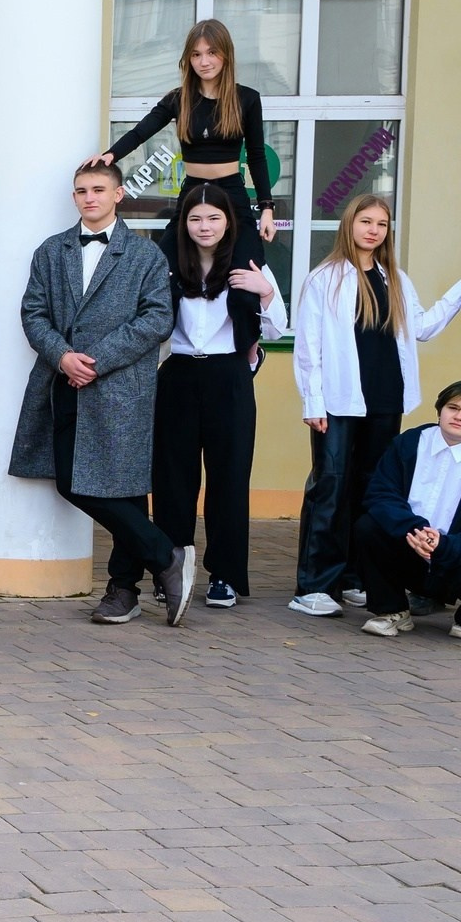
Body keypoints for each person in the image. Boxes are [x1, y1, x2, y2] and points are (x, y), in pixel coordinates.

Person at [11, 162, 192, 625]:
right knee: (72, 481)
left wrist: (94, 361)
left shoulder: (146, 255)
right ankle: (165, 556)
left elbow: (157, 318)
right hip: (62, 382)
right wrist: (63, 356)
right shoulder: (51, 251)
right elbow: (33, 313)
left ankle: (123, 590)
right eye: (81, 191)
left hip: (120, 386)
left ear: (118, 194)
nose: (89, 197)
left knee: (125, 485)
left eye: (98, 189)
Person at [288, 191, 461, 617]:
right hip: (338, 402)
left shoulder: (395, 279)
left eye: (381, 224)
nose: (373, 230)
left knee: (372, 491)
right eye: (366, 221)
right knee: (330, 487)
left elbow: (423, 327)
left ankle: (354, 578)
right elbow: (308, 345)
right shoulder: (325, 278)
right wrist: (312, 400)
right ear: (349, 224)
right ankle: (314, 585)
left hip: (386, 401)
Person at [149, 184, 287, 608]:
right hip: (179, 374)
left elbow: (277, 328)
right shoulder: (167, 266)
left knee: (229, 478)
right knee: (173, 480)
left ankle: (224, 575)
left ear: (228, 222)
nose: (204, 226)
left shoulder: (249, 264)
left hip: (229, 376)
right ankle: (169, 568)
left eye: (213, 218)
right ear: (183, 224)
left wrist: (264, 290)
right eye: (195, 218)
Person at [89, 17, 279, 254]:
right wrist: (111, 155)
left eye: (211, 53)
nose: (204, 62)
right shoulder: (178, 99)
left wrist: (267, 208)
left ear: (226, 55)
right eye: (196, 55)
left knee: (248, 260)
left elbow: (256, 156)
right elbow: (141, 132)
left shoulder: (246, 99)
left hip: (231, 190)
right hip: (193, 189)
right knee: (167, 260)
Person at [354, 380, 461, 641]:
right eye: (453, 407)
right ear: (440, 409)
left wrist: (444, 545)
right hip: (409, 545)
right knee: (368, 527)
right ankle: (392, 610)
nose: (459, 416)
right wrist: (414, 530)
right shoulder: (409, 443)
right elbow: (380, 494)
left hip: (455, 559)